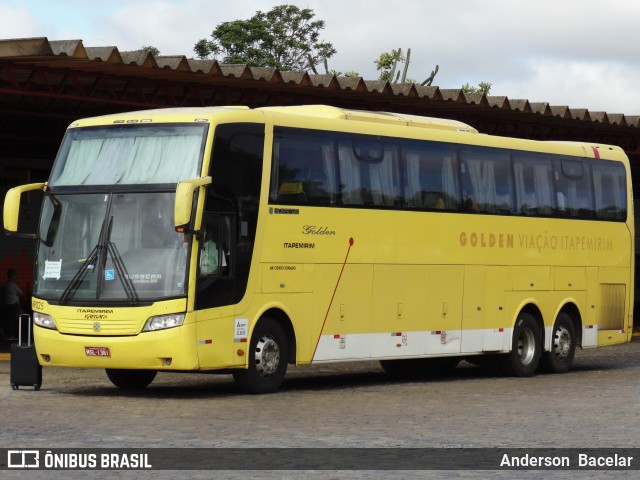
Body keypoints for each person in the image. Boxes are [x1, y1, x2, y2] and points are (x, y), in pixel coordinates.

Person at [4, 269, 23, 340]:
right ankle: (11, 335)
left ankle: (8, 335)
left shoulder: (6, 284)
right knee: (13, 320)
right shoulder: (13, 284)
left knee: (9, 320)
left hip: (8, 304)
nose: (16, 277)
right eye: (15, 275)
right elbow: (21, 293)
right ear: (12, 276)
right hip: (14, 304)